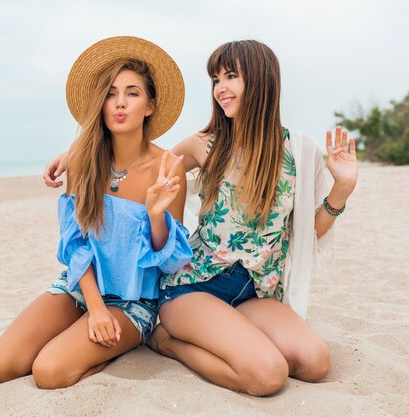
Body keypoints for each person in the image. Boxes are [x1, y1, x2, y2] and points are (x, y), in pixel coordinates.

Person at [43, 40, 358, 396]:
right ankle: (167, 342)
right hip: (194, 287)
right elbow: (139, 158)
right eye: (215, 79)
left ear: (262, 80)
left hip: (256, 293)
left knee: (316, 365)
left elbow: (307, 232)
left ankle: (227, 333)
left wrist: (341, 190)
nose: (220, 88)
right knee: (268, 376)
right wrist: (75, 151)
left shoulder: (299, 151)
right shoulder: (204, 144)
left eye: (230, 77)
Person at [0, 36, 192, 389]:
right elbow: (74, 243)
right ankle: (81, 334)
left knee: (49, 372)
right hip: (80, 288)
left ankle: (112, 348)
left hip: (133, 302)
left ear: (150, 105)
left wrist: (156, 217)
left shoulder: (168, 169)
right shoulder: (82, 159)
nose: (120, 103)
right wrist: (94, 307)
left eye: (132, 93)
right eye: (111, 93)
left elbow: (169, 263)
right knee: (0, 366)